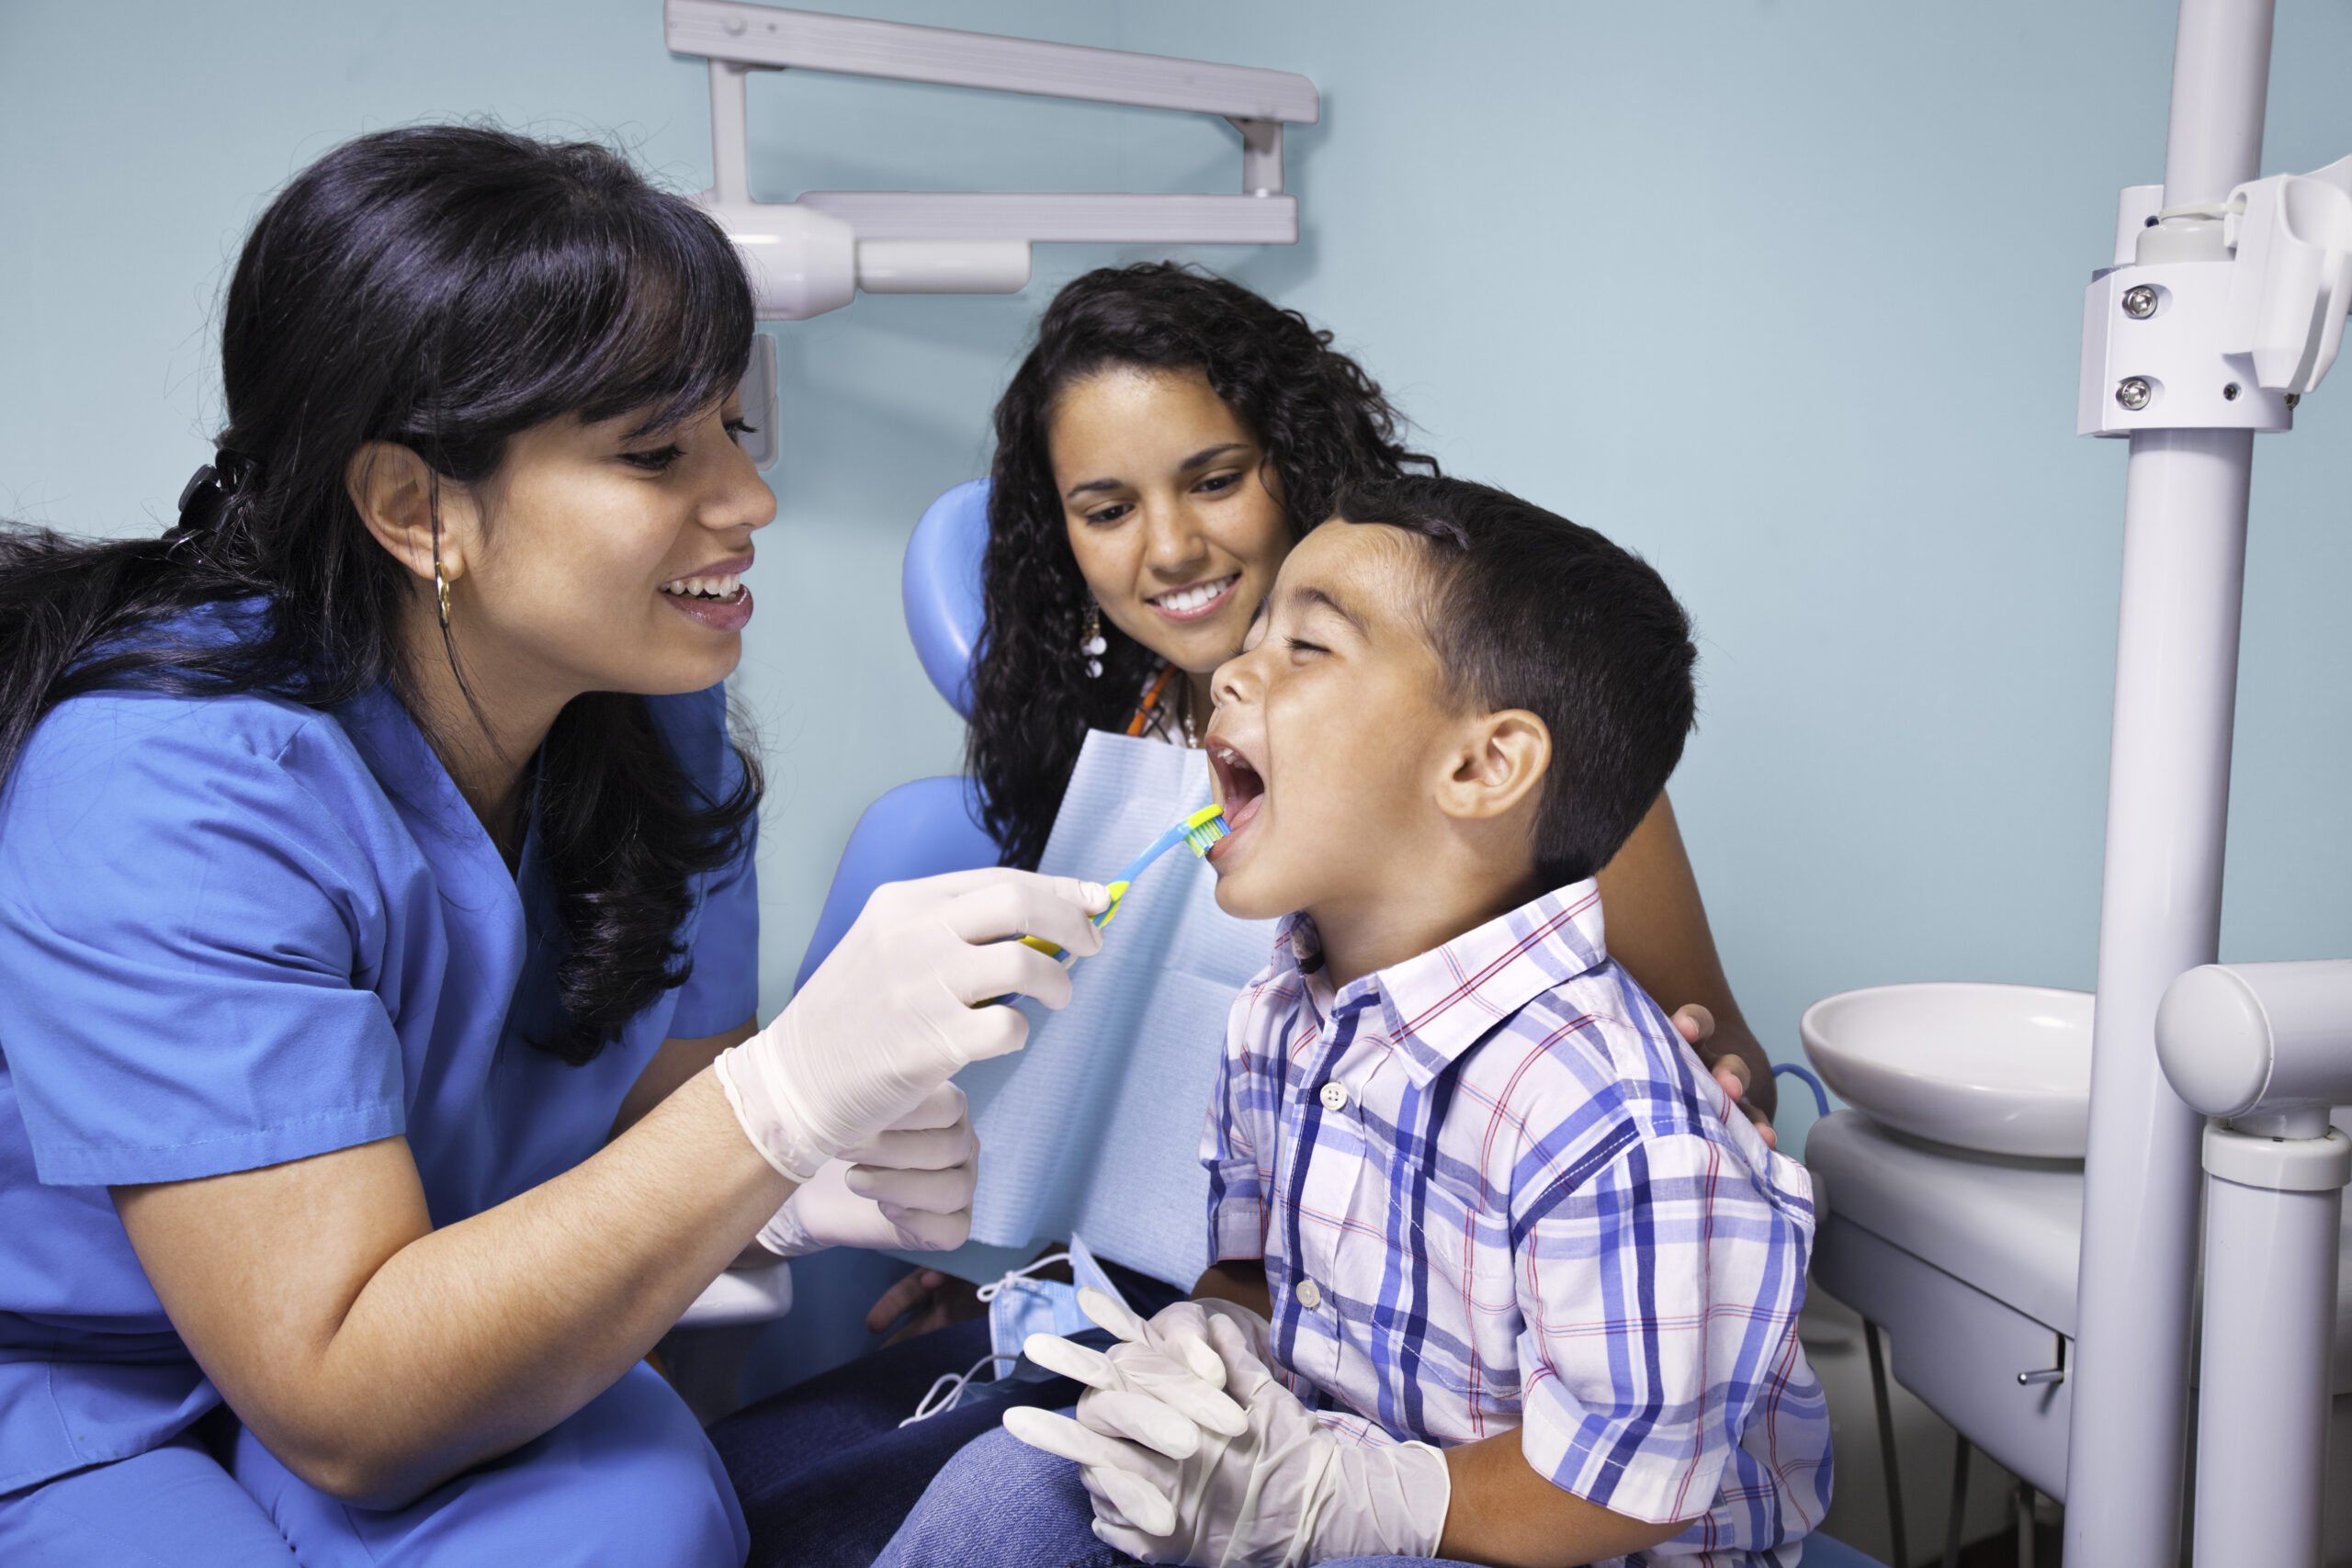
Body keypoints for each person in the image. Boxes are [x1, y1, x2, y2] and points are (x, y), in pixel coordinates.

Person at [0, 126, 1109, 1566]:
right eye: (657, 451)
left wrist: (800, 1172)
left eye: (732, 426)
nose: (748, 500)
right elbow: (342, 1394)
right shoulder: (164, 785)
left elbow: (655, 1120)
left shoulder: (648, 714)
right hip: (80, 1389)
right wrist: (782, 1099)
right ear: (414, 506)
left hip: (415, 1325)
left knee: (633, 1521)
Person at [709, 266, 1779, 1568]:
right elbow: (1148, 1124)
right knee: (758, 1495)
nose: (1168, 547)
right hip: (1234, 1330)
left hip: (1452, 1406)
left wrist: (1681, 1104)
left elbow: (1706, 1097)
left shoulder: (1515, 771)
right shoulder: (1132, 754)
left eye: (1213, 480)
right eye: (1107, 507)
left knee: (1003, 1502)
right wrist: (1069, 1275)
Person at [879, 475, 1830, 1568]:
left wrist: (1339, 1496)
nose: (1233, 668)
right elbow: (1253, 1276)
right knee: (1020, 1488)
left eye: (1307, 648)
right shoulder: (1274, 1019)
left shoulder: (1615, 1126)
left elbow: (1621, 1491)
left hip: (1568, 1538)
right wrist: (1215, 1347)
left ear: (1480, 765)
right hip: (1361, 1487)